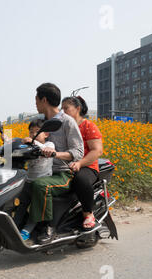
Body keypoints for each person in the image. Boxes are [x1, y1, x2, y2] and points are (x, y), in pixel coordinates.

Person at [27, 83, 84, 244]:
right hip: (41, 170)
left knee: (40, 185)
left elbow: (78, 153)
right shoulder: (40, 123)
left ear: (44, 100)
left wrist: (55, 154)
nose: (35, 103)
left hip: (63, 173)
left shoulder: (67, 122)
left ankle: (47, 227)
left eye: (36, 99)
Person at [62, 96, 103, 230]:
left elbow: (97, 151)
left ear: (77, 109)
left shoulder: (88, 126)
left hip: (87, 166)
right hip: (66, 165)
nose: (63, 112)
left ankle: (88, 214)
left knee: (80, 179)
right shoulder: (64, 127)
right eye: (62, 109)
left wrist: (80, 163)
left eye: (66, 108)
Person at [9, 119, 56, 240]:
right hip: (28, 181)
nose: (33, 134)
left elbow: (46, 149)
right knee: (21, 204)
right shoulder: (29, 146)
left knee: (36, 207)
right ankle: (13, 225)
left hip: (42, 182)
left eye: (37, 132)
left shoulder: (49, 145)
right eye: (31, 132)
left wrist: (33, 142)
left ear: (46, 134)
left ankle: (26, 230)